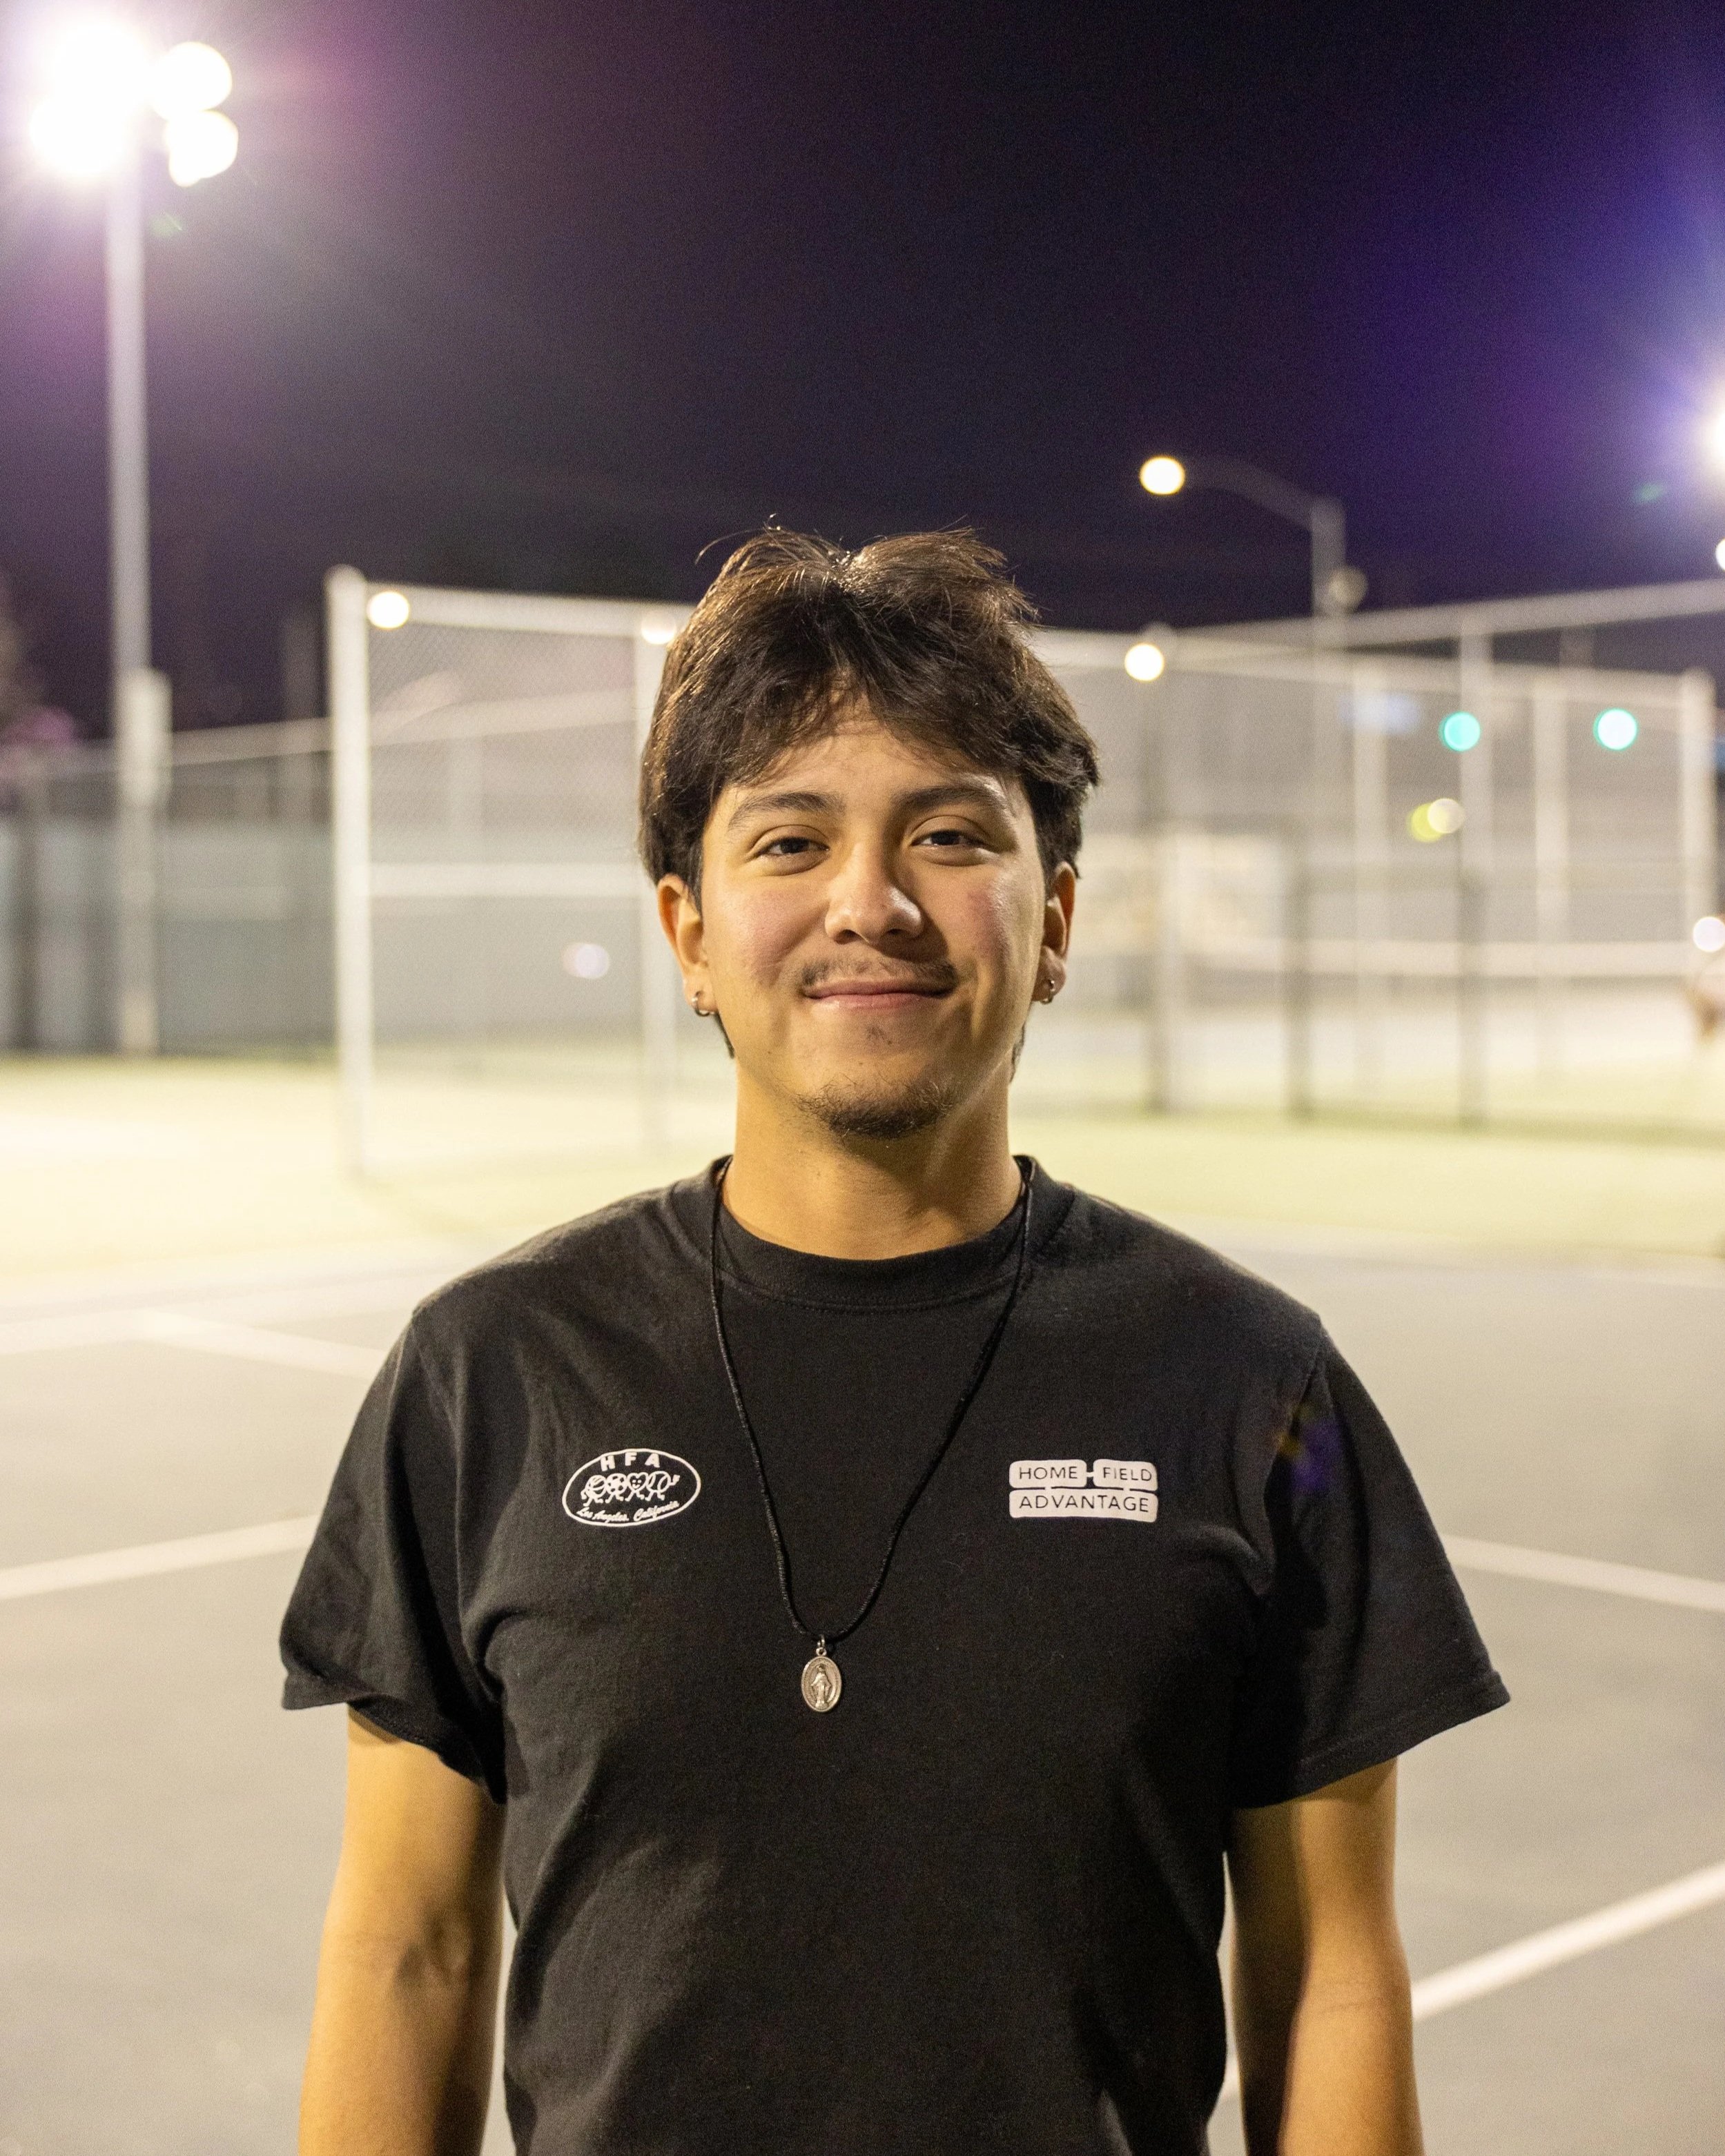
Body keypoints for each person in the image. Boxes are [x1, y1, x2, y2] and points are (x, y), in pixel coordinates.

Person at [282, 529, 1507, 2156]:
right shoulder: (487, 1370)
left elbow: (1327, 1977)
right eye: (789, 841)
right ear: (687, 933)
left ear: (1052, 919)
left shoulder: (1251, 1381)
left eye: (947, 834)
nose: (870, 903)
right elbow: (408, 1951)